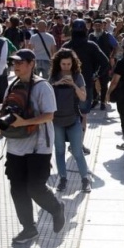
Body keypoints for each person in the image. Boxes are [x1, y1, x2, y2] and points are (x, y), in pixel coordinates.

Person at [0, 49, 65, 245]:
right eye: (14, 63)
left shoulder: (43, 87)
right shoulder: (12, 85)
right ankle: (28, 229)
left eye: (20, 63)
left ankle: (56, 208)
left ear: (31, 64)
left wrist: (23, 123)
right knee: (17, 189)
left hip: (39, 147)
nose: (16, 66)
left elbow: (49, 115)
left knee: (35, 188)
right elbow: (4, 115)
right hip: (15, 147)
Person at [49, 49, 90, 193]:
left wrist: (73, 85)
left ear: (73, 64)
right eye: (63, 64)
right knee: (59, 151)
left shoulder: (78, 76)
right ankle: (62, 178)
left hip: (73, 119)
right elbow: (46, 95)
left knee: (77, 151)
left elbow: (83, 97)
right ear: (58, 64)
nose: (66, 67)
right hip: (57, 121)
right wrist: (57, 83)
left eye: (68, 64)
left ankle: (85, 179)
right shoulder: (53, 77)